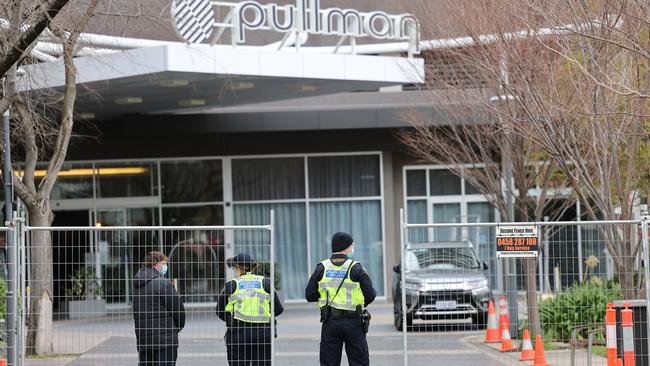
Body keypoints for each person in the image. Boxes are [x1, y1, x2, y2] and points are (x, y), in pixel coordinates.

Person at [305, 232, 376, 366]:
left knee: (329, 362)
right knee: (359, 362)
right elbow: (370, 295)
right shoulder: (356, 268)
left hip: (330, 322)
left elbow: (309, 295)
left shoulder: (322, 268)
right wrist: (359, 301)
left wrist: (326, 297)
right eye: (352, 245)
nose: (352, 248)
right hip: (354, 323)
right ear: (346, 247)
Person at [216, 253, 284, 366]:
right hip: (263, 334)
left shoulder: (232, 285)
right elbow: (278, 309)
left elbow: (219, 311)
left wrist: (231, 320)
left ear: (238, 267)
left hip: (238, 333)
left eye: (234, 267)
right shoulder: (265, 283)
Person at [133, 251, 186, 365]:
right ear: (154, 264)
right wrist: (175, 329)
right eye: (163, 264)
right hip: (165, 341)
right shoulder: (163, 283)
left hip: (144, 341)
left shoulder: (137, 285)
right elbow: (178, 310)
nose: (165, 267)